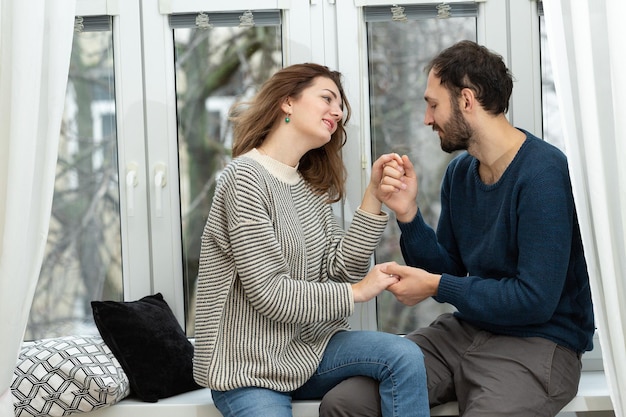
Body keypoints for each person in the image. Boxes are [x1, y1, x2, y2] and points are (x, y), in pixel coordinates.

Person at [319, 40, 595, 417]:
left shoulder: (543, 173)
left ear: (466, 100)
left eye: (433, 104)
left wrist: (436, 285)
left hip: (541, 342)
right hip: (464, 332)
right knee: (345, 403)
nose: (426, 118)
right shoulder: (461, 173)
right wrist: (408, 215)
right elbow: (447, 269)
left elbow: (533, 299)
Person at [192, 63, 429, 417]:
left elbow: (339, 270)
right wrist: (358, 292)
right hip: (248, 369)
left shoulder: (308, 188)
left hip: (309, 351)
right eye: (327, 98)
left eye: (340, 106)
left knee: (405, 355)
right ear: (288, 102)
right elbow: (270, 293)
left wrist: (373, 195)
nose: (337, 112)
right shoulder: (243, 179)